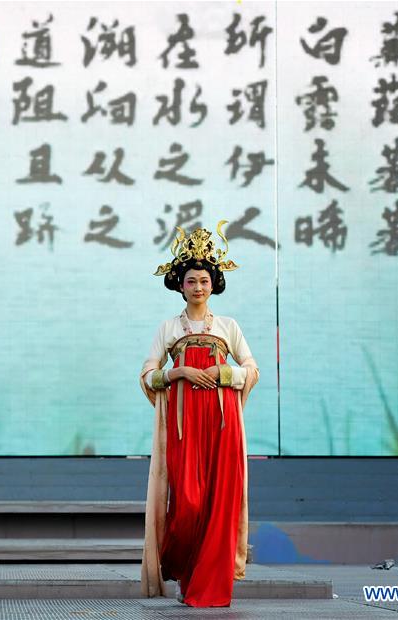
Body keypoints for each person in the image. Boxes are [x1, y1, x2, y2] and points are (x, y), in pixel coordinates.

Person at [140, 221, 259, 607]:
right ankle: (181, 568)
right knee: (188, 502)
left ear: (214, 284)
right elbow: (147, 374)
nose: (198, 287)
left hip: (223, 426)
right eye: (191, 281)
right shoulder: (169, 328)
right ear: (180, 285)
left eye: (204, 281)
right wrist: (178, 372)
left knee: (220, 505)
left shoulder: (228, 327)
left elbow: (251, 370)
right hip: (183, 426)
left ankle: (209, 589)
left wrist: (222, 373)